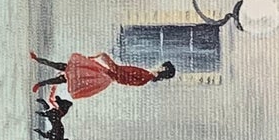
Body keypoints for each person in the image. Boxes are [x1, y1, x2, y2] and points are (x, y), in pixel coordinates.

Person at [32, 51, 176, 107]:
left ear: (162, 70)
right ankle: (39, 67)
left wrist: (106, 59)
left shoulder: (144, 76)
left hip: (105, 75)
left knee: (67, 72)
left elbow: (119, 72)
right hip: (106, 74)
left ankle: (40, 77)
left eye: (161, 66)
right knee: (67, 70)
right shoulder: (146, 77)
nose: (158, 66)